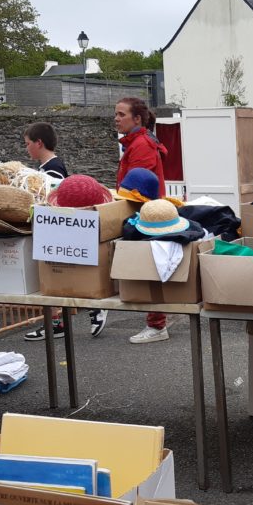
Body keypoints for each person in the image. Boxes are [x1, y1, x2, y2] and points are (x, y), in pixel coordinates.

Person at [22, 125, 108, 342]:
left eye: (28, 143)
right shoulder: (48, 167)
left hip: (58, 228)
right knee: (59, 277)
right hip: (57, 228)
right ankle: (60, 321)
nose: (26, 149)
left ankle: (91, 309)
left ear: (39, 142)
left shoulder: (53, 169)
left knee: (63, 275)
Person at [115, 96, 171, 344]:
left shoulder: (141, 145)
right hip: (146, 213)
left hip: (146, 215)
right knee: (150, 268)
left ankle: (157, 326)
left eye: (121, 114)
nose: (116, 119)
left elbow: (138, 190)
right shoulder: (139, 142)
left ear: (137, 119)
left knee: (151, 269)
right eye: (115, 114)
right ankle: (156, 323)